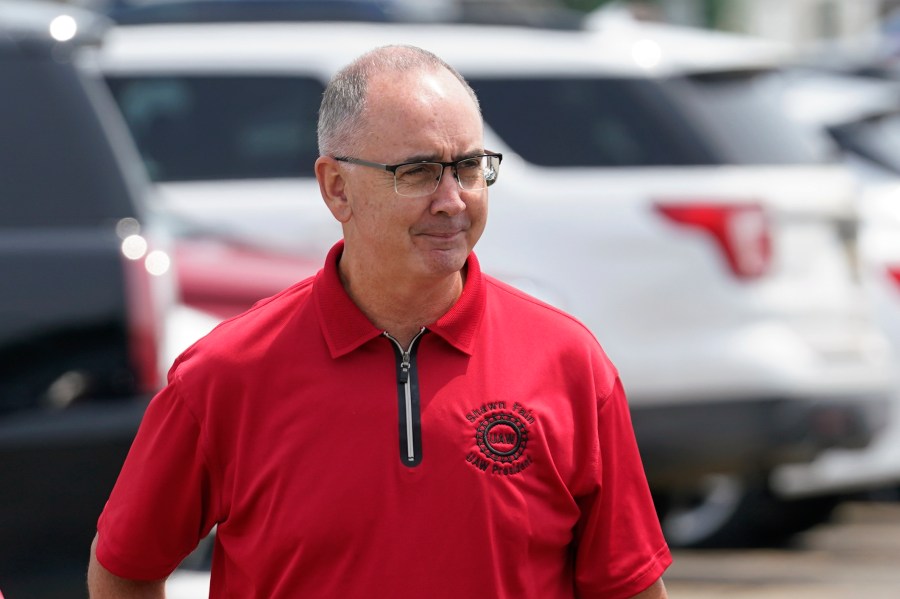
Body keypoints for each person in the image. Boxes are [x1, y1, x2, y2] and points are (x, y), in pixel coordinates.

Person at [87, 45, 671, 598]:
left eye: (468, 167)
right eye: (417, 171)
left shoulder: (568, 362)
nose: (452, 199)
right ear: (336, 187)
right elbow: (124, 567)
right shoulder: (224, 374)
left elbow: (627, 584)